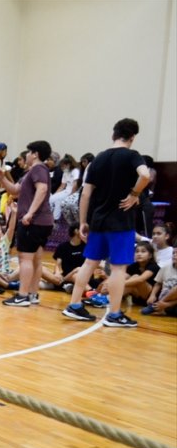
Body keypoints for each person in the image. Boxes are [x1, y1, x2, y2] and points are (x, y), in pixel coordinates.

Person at [62, 118, 153, 327]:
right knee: (119, 268)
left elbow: (85, 194)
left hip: (98, 221)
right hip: (121, 222)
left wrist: (83, 221)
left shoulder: (98, 159)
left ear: (114, 134)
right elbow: (145, 175)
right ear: (132, 137)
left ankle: (74, 305)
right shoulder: (132, 156)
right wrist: (134, 193)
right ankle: (114, 314)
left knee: (89, 263)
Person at [0, 140, 55, 307]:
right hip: (41, 221)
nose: (26, 155)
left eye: (28, 152)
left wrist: (30, 213)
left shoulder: (38, 169)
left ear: (35, 154)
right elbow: (14, 190)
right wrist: (2, 179)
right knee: (35, 259)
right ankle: (33, 294)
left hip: (34, 222)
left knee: (25, 258)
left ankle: (22, 295)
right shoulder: (30, 172)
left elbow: (42, 189)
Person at [97, 241, 157, 305]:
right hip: (137, 297)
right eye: (137, 251)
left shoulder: (153, 266)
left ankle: (108, 298)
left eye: (143, 251)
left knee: (135, 277)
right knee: (124, 280)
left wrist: (116, 284)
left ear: (150, 255)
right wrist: (107, 283)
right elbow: (121, 277)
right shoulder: (133, 266)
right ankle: (102, 297)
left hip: (150, 298)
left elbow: (140, 279)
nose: (139, 254)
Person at [41, 222, 91, 292]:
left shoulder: (87, 247)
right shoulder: (63, 246)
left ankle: (91, 293)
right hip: (65, 278)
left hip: (81, 276)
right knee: (40, 268)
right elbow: (58, 264)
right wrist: (57, 273)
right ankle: (64, 285)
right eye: (84, 230)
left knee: (76, 274)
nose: (87, 233)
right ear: (76, 231)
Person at [144, 246, 177, 316]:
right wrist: (152, 295)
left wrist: (165, 304)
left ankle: (159, 306)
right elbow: (158, 283)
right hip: (164, 296)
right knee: (144, 312)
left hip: (173, 302)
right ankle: (161, 308)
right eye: (173, 253)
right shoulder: (165, 267)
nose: (174, 255)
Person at [49, 154, 80, 222]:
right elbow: (62, 185)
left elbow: (75, 185)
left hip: (72, 192)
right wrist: (55, 195)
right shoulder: (65, 172)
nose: (62, 168)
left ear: (68, 165)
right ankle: (53, 219)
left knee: (59, 201)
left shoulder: (75, 171)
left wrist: (70, 196)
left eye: (63, 166)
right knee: (51, 199)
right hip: (66, 190)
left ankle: (55, 219)